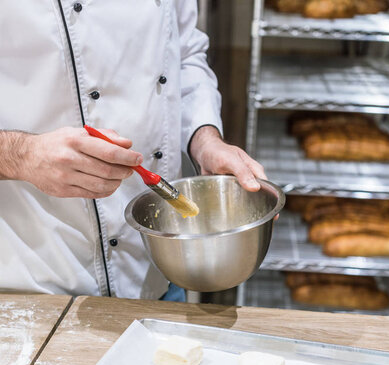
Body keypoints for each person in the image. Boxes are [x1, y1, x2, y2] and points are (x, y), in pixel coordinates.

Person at [0, 1, 266, 300]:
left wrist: (205, 139)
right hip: (34, 280)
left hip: (159, 270)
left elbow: (184, 54)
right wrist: (20, 155)